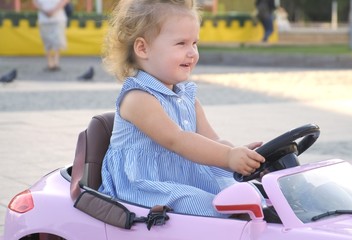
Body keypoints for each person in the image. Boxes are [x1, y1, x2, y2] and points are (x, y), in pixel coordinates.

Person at [98, 0, 265, 218]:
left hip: (184, 177)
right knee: (208, 206)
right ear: (142, 48)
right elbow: (177, 140)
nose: (192, 52)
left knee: (245, 193)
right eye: (181, 44)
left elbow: (213, 141)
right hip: (144, 185)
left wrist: (240, 155)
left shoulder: (187, 97)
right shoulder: (138, 98)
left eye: (194, 43)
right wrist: (228, 156)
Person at [32, 0, 69, 71]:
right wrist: (44, 10)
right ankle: (49, 63)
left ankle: (56, 62)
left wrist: (54, 10)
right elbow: (35, 2)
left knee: (58, 40)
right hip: (44, 19)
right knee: (46, 41)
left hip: (58, 18)